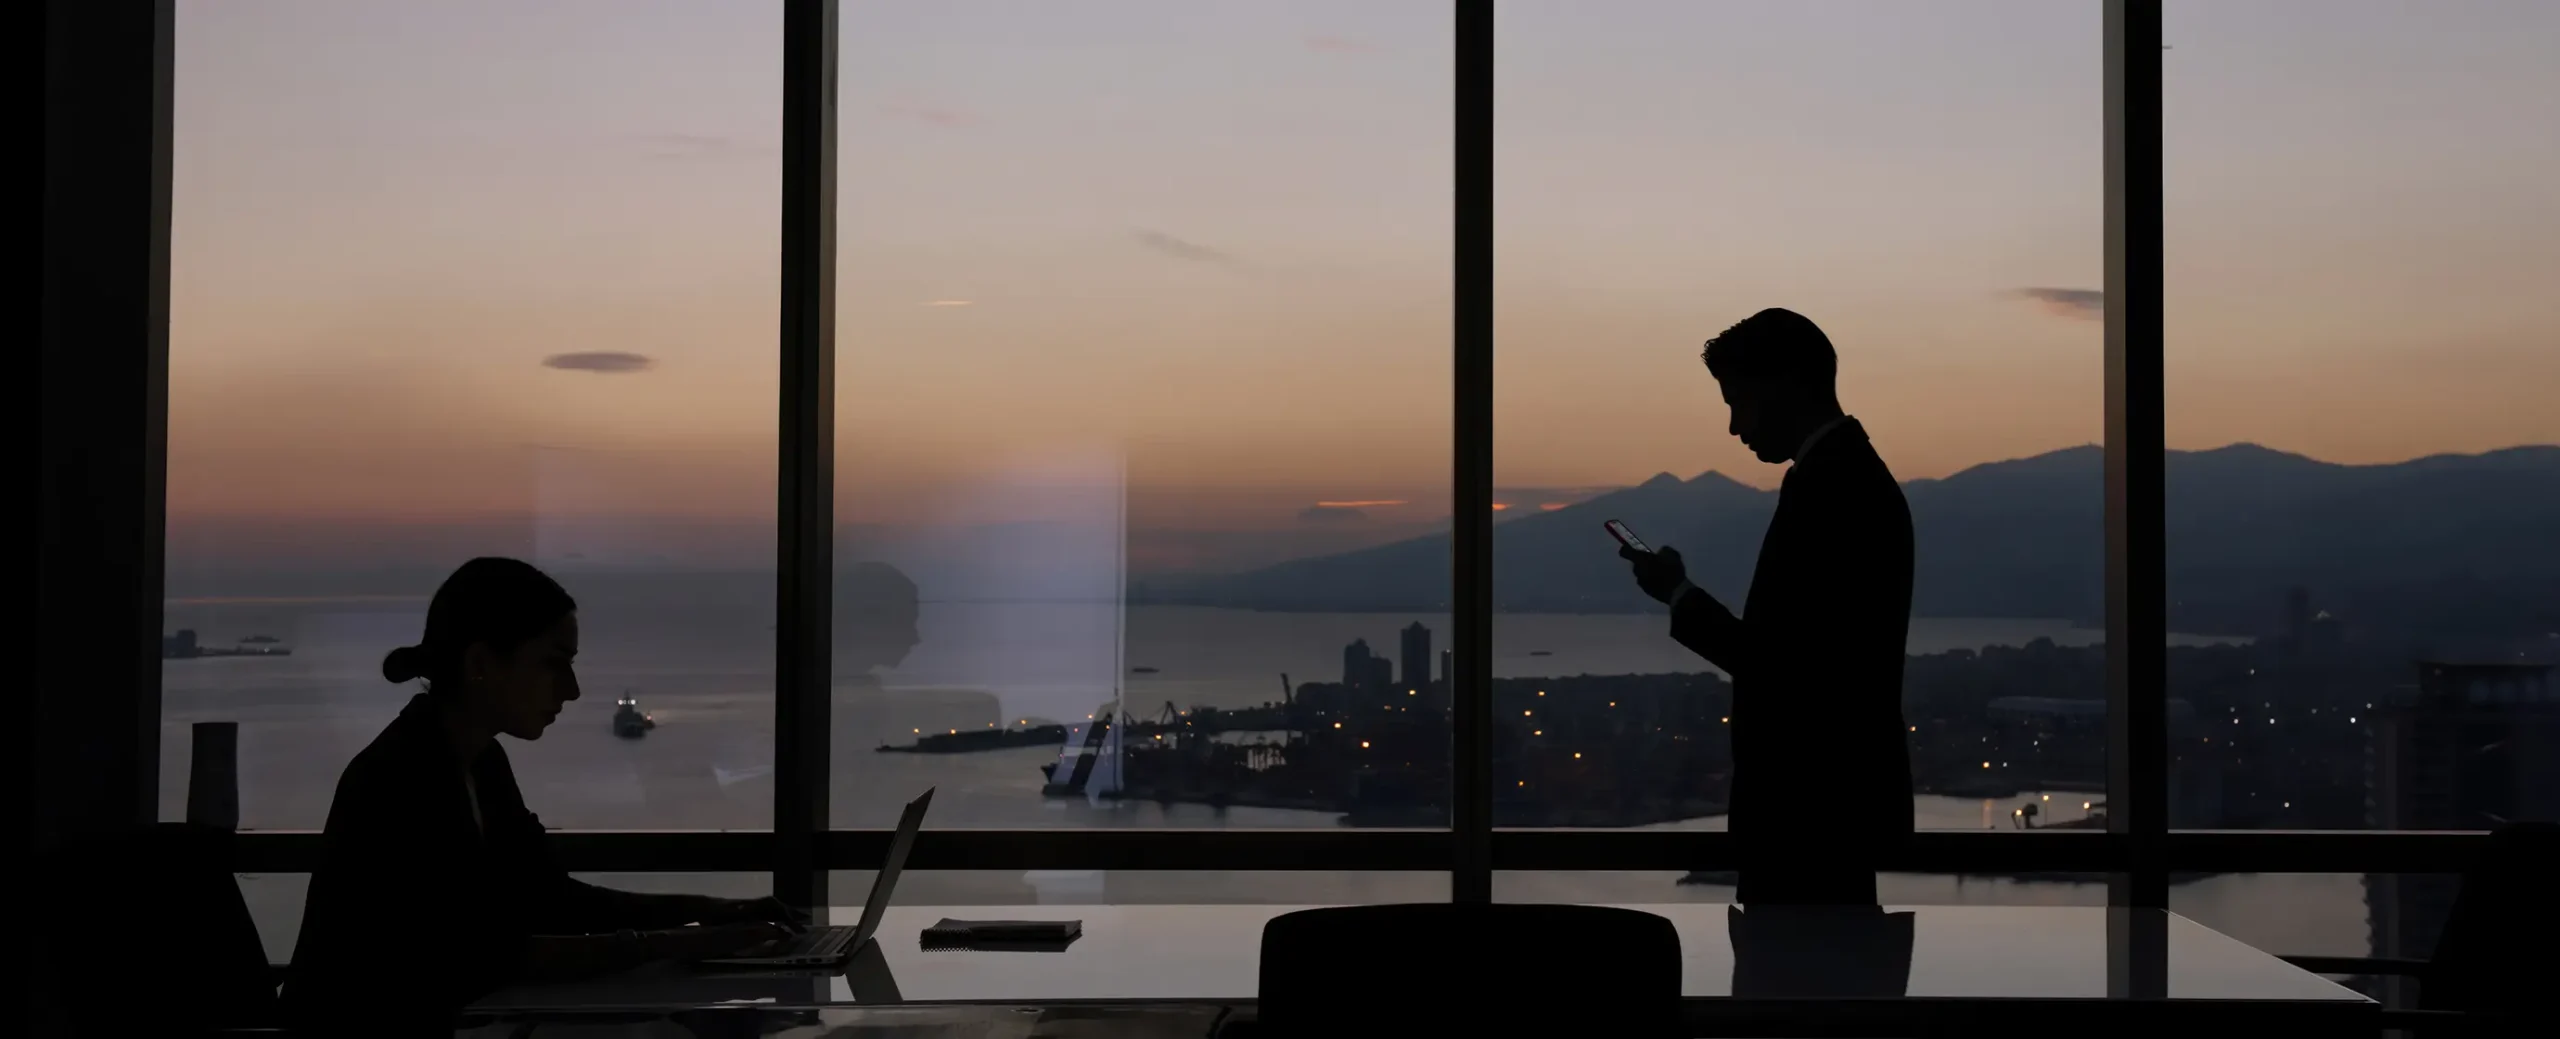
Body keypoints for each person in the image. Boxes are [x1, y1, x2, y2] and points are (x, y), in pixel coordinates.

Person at [282, 557, 804, 1032]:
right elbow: (491, 956)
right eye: (554, 663)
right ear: (480, 663)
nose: (572, 689)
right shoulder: (400, 780)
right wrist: (685, 940)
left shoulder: (478, 761)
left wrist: (712, 912)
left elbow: (552, 899)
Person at [1620, 308, 1915, 906]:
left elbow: (1780, 663)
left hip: (1808, 812)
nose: (1733, 426)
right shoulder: (1849, 477)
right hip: (1833, 809)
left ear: (1783, 386)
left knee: (1795, 982)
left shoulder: (1830, 488)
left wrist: (1677, 596)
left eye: (1737, 402)